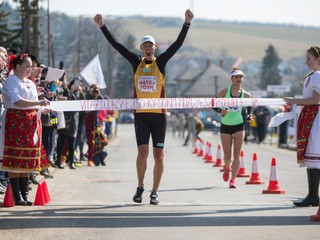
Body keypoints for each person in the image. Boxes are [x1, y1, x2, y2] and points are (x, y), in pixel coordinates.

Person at [94, 9, 194, 205]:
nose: (148, 48)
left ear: (155, 48)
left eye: (150, 46)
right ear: (141, 48)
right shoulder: (135, 62)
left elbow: (177, 44)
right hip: (141, 115)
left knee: (159, 155)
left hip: (159, 116)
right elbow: (116, 45)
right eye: (144, 46)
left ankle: (155, 191)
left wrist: (187, 23)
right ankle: (140, 186)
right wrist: (102, 26)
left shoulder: (161, 62)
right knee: (142, 153)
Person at [0, 54, 51, 206]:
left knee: (27, 159)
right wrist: (39, 102)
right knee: (16, 158)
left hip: (30, 123)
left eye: (31, 66)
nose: (30, 69)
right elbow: (18, 101)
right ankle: (16, 195)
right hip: (16, 121)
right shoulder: (11, 81)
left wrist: (42, 109)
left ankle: (24, 193)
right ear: (17, 66)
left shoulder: (29, 83)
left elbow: (34, 105)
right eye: (27, 66)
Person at [283, 46, 320, 207]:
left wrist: (294, 101)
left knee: (315, 155)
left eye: (309, 59)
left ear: (318, 60)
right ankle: (312, 195)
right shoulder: (313, 76)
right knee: (312, 157)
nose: (306, 62)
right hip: (311, 116)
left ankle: (313, 195)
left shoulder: (318, 76)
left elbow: (314, 100)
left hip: (316, 117)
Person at [213, 67, 252, 188]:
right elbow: (213, 104)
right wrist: (221, 111)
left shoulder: (246, 95)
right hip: (226, 125)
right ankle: (226, 167)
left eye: (241, 77)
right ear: (232, 78)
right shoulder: (225, 92)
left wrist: (249, 116)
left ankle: (233, 180)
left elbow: (249, 108)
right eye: (236, 77)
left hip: (239, 125)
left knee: (237, 155)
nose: (239, 79)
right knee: (227, 156)